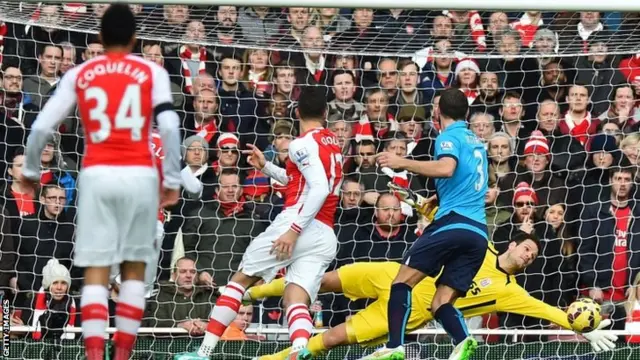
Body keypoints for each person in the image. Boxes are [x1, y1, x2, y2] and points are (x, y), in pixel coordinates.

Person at [21, 4, 182, 360]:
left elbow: (42, 127)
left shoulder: (82, 72)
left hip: (96, 174)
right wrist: (170, 178)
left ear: (99, 36)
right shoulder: (149, 72)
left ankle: (95, 356)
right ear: (136, 38)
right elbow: (170, 127)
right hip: (139, 175)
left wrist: (32, 171)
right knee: (133, 271)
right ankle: (121, 355)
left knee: (95, 272)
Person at [245, 233, 618, 360]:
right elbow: (444, 220)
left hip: (409, 313)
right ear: (513, 244)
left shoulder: (508, 292)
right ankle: (251, 292)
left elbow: (548, 311)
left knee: (330, 339)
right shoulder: (479, 246)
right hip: (395, 273)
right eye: (527, 249)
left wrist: (583, 327)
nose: (528, 256)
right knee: (319, 281)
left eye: (533, 257)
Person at [182, 86, 343, 360]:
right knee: (295, 297)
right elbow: (300, 183)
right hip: (325, 232)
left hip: (297, 222)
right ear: (326, 113)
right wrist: (266, 167)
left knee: (239, 282)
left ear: (297, 112)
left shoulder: (301, 144)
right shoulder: (332, 143)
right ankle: (300, 351)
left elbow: (317, 189)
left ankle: (203, 352)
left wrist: (293, 232)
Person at [374, 88, 488, 360]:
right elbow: (470, 180)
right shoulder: (477, 142)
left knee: (401, 282)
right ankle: (463, 340)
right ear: (467, 113)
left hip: (452, 225)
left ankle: (394, 347)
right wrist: (437, 198)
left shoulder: (447, 137)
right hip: (479, 233)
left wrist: (401, 162)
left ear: (437, 113)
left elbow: (447, 168)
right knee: (440, 302)